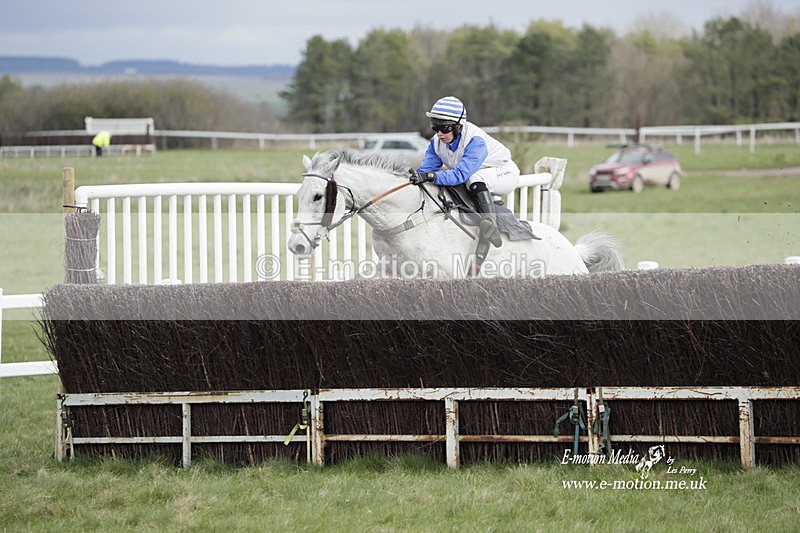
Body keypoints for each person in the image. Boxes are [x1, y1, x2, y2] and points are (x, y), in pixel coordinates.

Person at [410, 96, 520, 247]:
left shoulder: (475, 140)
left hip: (503, 174)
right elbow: (425, 170)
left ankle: (491, 226)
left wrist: (430, 176)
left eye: (445, 128)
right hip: (473, 175)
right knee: (468, 179)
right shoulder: (436, 142)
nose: (440, 133)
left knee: (473, 178)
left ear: (458, 126)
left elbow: (459, 176)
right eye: (435, 128)